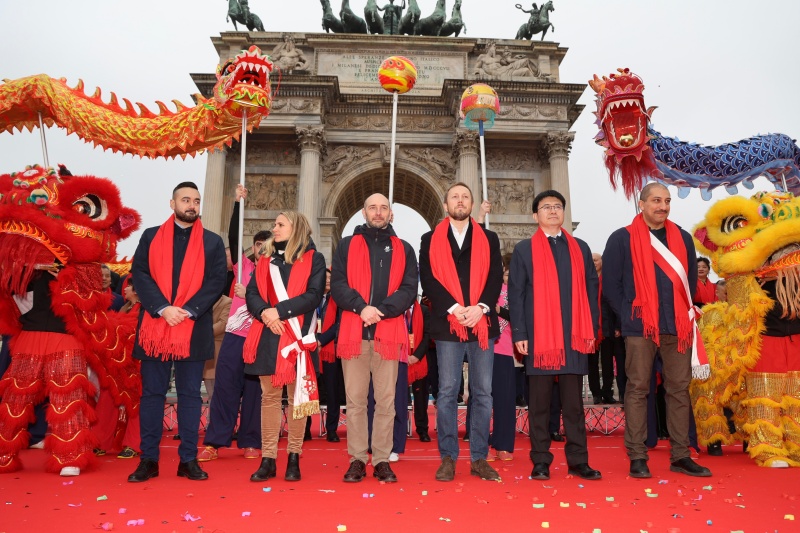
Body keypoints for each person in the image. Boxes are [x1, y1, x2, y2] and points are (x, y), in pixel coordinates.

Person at [603, 182, 711, 479]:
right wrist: (630, 314)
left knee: (679, 390)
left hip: (677, 327)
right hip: (640, 327)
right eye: (656, 201)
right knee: (638, 389)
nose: (662, 206)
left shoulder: (683, 238)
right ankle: (637, 455)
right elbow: (611, 286)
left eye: (667, 201)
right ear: (641, 204)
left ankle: (680, 455)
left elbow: (689, 281)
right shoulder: (621, 238)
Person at [127, 181, 227, 483]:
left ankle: (188, 460)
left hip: (193, 326)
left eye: (196, 200)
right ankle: (148, 460)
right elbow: (139, 273)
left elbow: (216, 281)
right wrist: (162, 308)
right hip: (155, 325)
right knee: (152, 395)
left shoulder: (212, 242)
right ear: (172, 204)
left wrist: (188, 310)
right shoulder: (150, 236)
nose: (191, 205)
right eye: (185, 200)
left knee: (190, 396)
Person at [508, 189, 601, 481]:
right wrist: (520, 332)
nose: (552, 211)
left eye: (557, 206)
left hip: (574, 336)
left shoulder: (580, 248)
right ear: (535, 215)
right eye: (546, 207)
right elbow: (516, 294)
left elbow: (591, 289)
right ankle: (540, 461)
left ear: (563, 212)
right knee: (539, 405)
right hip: (539, 337)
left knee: (574, 405)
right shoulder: (524, 249)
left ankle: (578, 461)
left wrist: (592, 328)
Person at [330, 193, 418, 483]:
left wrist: (380, 311)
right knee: (355, 402)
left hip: (387, 334)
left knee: (386, 402)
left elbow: (409, 289)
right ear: (363, 212)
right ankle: (357, 459)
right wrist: (361, 307)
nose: (378, 212)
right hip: (354, 333)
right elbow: (338, 285)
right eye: (372, 208)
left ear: (391, 214)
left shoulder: (405, 249)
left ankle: (381, 459)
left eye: (383, 208)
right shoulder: (345, 245)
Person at [419, 182, 503, 482]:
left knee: (482, 393)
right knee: (446, 392)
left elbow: (495, 275)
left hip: (481, 323)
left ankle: (479, 457)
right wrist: (454, 308)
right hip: (448, 324)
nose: (460, 200)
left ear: (472, 204)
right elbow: (428, 279)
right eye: (455, 196)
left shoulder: (489, 238)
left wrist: (481, 307)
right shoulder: (429, 239)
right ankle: (448, 457)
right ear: (445, 205)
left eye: (465, 196)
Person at [244, 211, 326, 482]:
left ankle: (293, 457)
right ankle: (268, 459)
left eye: (280, 224)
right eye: (275, 224)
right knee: (269, 398)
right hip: (270, 333)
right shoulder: (265, 259)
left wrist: (277, 311)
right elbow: (252, 293)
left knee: (296, 400)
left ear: (296, 228)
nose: (274, 228)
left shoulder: (314, 259)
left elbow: (314, 296)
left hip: (297, 336)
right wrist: (264, 313)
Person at [199, 185, 267, 462]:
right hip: (235, 337)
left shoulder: (279, 274)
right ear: (254, 249)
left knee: (254, 392)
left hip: (261, 338)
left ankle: (250, 441)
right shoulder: (244, 267)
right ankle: (214, 441)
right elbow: (234, 237)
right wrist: (238, 204)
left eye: (267, 245)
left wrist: (249, 293)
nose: (262, 250)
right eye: (258, 245)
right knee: (225, 387)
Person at [488, 254, 516, 461]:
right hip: (483, 349)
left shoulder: (518, 292)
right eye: (505, 273)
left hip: (505, 350)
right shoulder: (488, 289)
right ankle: (481, 445)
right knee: (480, 399)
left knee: (505, 400)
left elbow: (522, 317)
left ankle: (503, 444)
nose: (507, 277)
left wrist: (500, 310)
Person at [316, 268, 345, 442]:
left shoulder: (339, 300)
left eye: (330, 277)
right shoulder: (313, 298)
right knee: (309, 388)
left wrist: (321, 341)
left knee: (332, 391)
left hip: (331, 350)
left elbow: (339, 324)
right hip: (310, 347)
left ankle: (332, 429)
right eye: (324, 277)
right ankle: (305, 429)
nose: (327, 280)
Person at [588, 253, 617, 404]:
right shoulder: (585, 280)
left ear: (602, 262)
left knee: (607, 363)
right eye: (591, 260)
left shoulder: (608, 281)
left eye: (596, 260)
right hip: (590, 327)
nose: (594, 263)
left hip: (606, 327)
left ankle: (607, 392)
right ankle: (596, 393)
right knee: (592, 363)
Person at [410, 296, 432, 442]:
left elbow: (428, 335)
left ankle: (422, 430)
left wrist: (416, 356)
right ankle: (397, 430)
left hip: (420, 359)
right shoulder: (396, 310)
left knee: (421, 397)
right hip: (399, 357)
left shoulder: (424, 311)